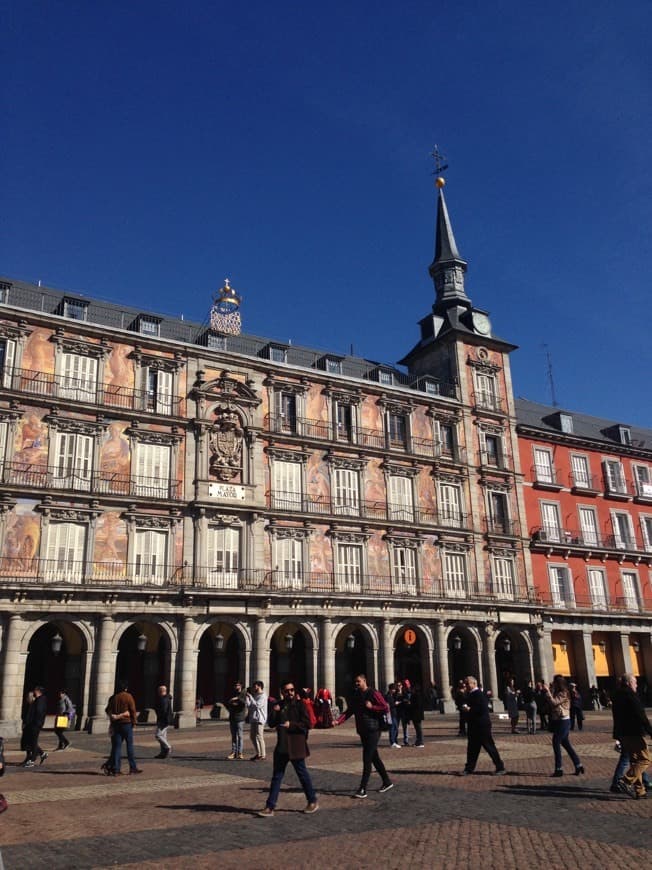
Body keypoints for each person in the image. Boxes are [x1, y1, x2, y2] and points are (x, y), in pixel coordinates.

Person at [257, 681, 318, 816]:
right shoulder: (279, 705)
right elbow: (272, 724)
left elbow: (307, 724)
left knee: (302, 775)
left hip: (296, 745)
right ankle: (270, 806)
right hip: (282, 747)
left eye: (292, 690)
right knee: (277, 777)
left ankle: (312, 800)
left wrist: (292, 725)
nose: (290, 693)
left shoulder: (300, 704)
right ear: (282, 692)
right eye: (287, 691)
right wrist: (274, 711)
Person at [335, 673, 394, 798]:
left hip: (373, 729)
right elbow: (349, 711)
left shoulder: (373, 693)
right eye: (355, 682)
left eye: (359, 681)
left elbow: (384, 706)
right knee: (374, 757)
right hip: (363, 730)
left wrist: (372, 707)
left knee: (367, 758)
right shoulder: (356, 695)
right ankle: (387, 781)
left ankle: (362, 789)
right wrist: (338, 721)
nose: (356, 683)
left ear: (364, 681)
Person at [611, 673, 652, 799]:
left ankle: (640, 790)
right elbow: (641, 715)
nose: (636, 685)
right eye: (635, 682)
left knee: (635, 761)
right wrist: (650, 731)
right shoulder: (630, 695)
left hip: (622, 733)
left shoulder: (617, 696)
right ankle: (625, 780)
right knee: (646, 759)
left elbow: (616, 717)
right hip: (633, 732)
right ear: (628, 683)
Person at [460, 675, 505, 776]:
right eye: (465, 683)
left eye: (467, 684)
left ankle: (500, 767)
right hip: (474, 725)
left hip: (482, 726)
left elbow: (483, 709)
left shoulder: (478, 694)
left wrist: (469, 709)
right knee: (472, 748)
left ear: (474, 684)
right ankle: (469, 768)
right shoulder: (470, 694)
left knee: (489, 747)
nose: (465, 685)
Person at [543, 675, 583, 777]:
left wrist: (548, 691)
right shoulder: (557, 692)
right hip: (559, 720)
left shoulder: (564, 693)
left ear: (558, 683)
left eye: (555, 682)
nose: (553, 683)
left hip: (563, 721)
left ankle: (559, 768)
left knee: (556, 742)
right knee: (566, 744)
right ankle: (578, 765)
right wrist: (550, 691)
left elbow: (554, 702)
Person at [106, 680, 142, 776]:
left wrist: (113, 716)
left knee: (117, 747)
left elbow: (107, 710)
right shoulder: (128, 696)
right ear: (125, 688)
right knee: (129, 746)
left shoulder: (113, 698)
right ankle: (132, 768)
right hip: (126, 724)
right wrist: (134, 722)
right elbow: (133, 710)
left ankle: (116, 769)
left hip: (116, 725)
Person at [21, 685, 48, 767]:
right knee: (31, 741)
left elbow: (39, 712)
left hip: (35, 724)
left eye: (35, 690)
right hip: (33, 724)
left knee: (33, 742)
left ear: (38, 691)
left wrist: (36, 723)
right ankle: (42, 754)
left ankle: (32, 760)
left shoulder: (40, 700)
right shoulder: (38, 700)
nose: (34, 692)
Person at [225, 681, 247, 760]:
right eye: (235, 685)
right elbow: (228, 702)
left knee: (240, 736)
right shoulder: (232, 693)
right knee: (234, 736)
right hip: (232, 717)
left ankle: (240, 752)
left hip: (240, 717)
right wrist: (232, 703)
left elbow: (244, 703)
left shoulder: (244, 694)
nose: (236, 686)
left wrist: (237, 698)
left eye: (237, 685)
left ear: (241, 686)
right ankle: (233, 752)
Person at [246, 680, 268, 760]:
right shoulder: (255, 695)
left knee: (259, 736)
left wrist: (251, 697)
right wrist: (248, 698)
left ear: (259, 686)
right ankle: (258, 753)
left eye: (255, 686)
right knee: (252, 736)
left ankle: (263, 755)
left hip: (260, 718)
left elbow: (258, 705)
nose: (253, 688)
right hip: (254, 718)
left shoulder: (263, 696)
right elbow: (250, 706)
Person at [154, 685, 174, 759]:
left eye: (159, 691)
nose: (157, 692)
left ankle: (168, 747)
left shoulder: (164, 699)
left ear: (161, 691)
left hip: (163, 720)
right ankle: (163, 753)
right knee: (163, 736)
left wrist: (161, 719)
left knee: (158, 735)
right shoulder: (166, 698)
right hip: (165, 719)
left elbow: (163, 711)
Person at [385, 683, 401, 748]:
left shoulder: (392, 695)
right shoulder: (388, 696)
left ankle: (394, 741)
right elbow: (388, 705)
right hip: (390, 714)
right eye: (394, 689)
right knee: (392, 728)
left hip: (394, 713)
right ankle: (392, 742)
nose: (395, 690)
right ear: (391, 689)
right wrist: (395, 704)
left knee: (395, 728)